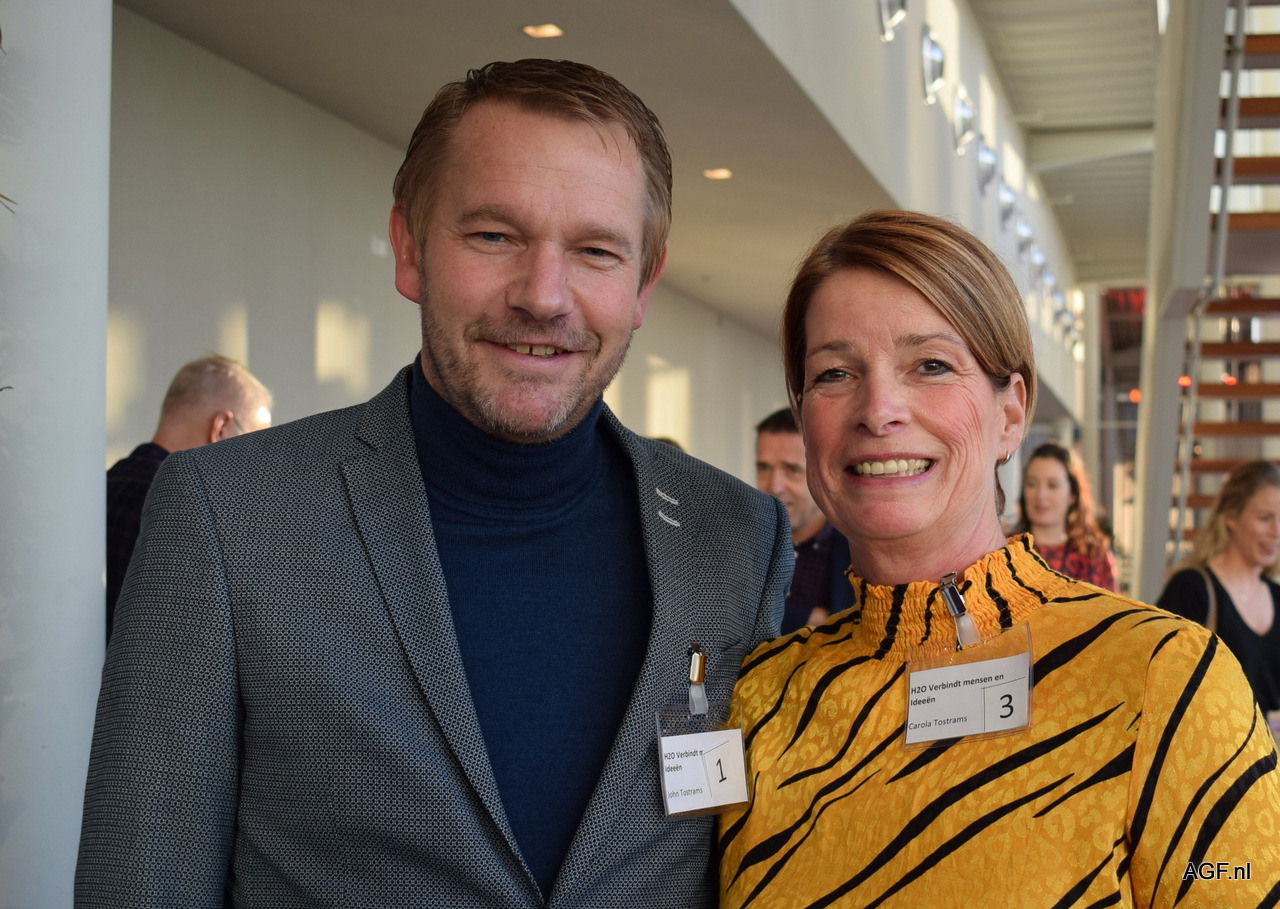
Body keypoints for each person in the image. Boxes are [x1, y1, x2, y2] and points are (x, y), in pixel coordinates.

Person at [76, 59, 789, 908]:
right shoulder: (226, 514)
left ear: (643, 283)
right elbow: (141, 879)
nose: (543, 296)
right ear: (410, 247)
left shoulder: (735, 536)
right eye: (493, 236)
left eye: (596, 251)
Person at [718, 210, 1280, 907]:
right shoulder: (761, 696)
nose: (878, 408)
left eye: (931, 364)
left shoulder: (1161, 679)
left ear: (1011, 414)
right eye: (834, 372)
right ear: (805, 418)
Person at [105, 354, 272, 639]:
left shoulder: (106, 483)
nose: (253, 465)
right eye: (254, 445)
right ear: (220, 427)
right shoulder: (188, 508)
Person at [1157, 459, 1280, 716]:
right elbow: (1161, 682)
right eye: (1264, 518)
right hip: (1209, 740)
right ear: (1231, 516)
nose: (1276, 531)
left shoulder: (1276, 596)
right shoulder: (1191, 588)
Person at [754, 408, 853, 632]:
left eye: (792, 469)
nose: (774, 487)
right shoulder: (739, 544)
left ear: (823, 471)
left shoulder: (861, 552)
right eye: (764, 468)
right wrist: (806, 617)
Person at [1012, 439, 1117, 590]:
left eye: (1052, 485)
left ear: (1072, 494)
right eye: (1032, 484)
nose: (1041, 495)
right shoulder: (1005, 552)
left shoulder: (1095, 556)